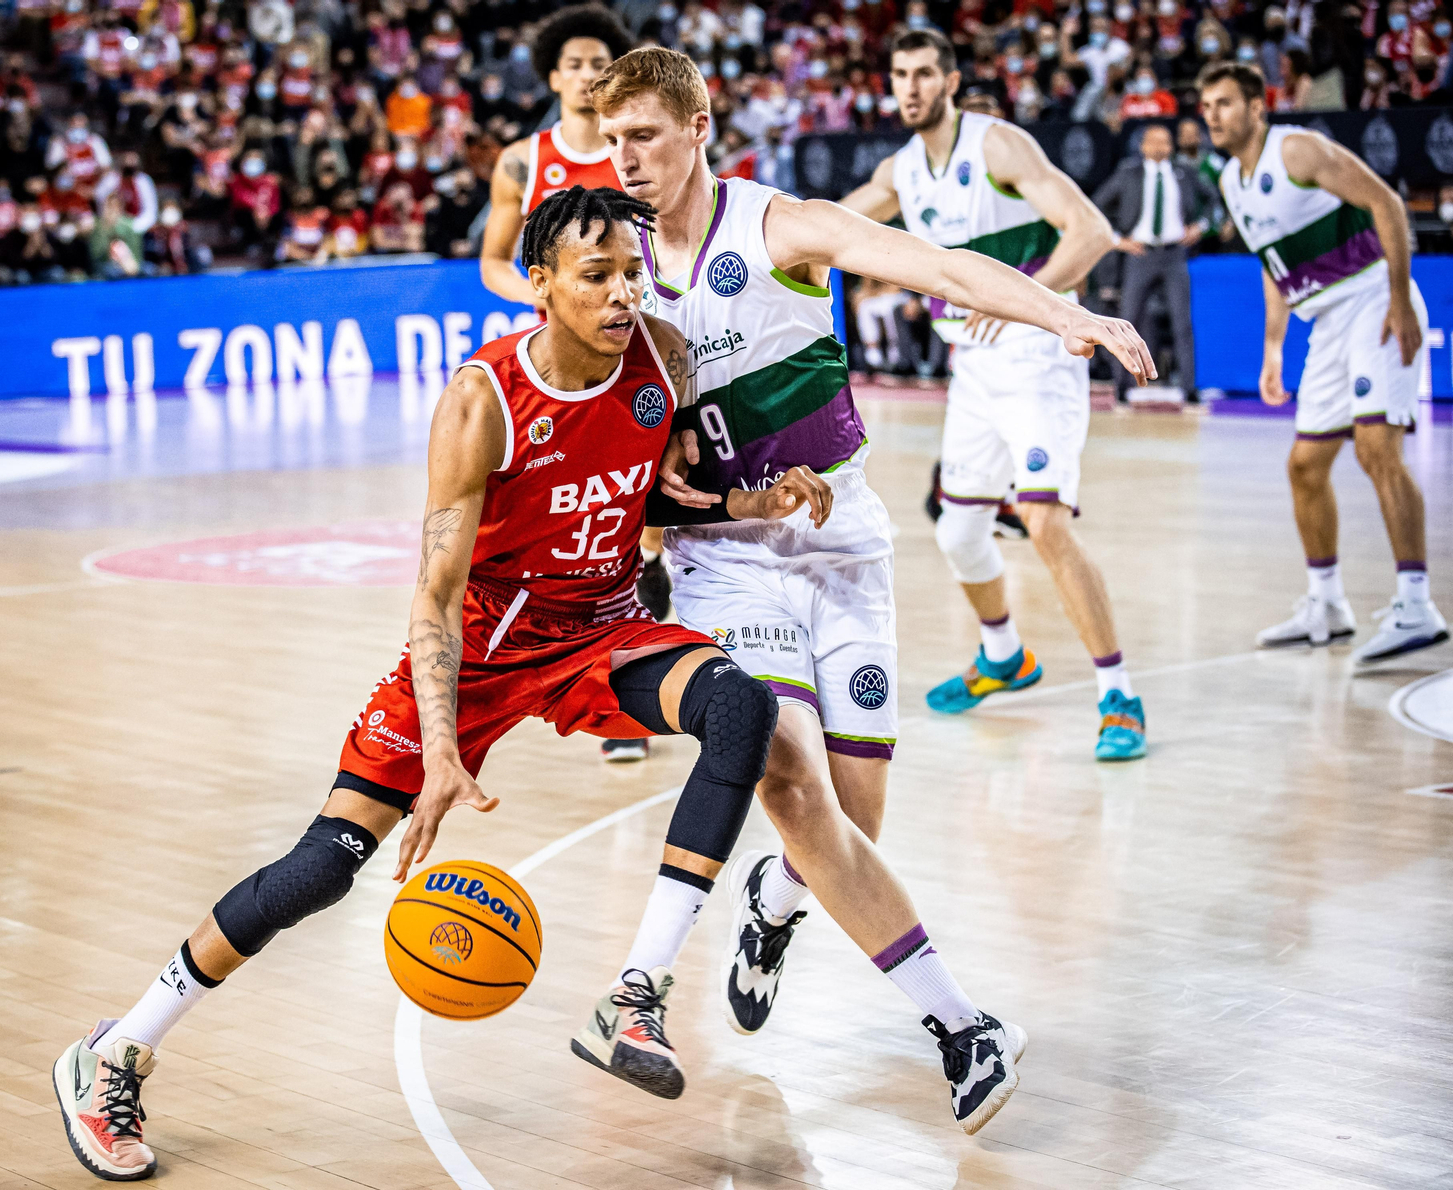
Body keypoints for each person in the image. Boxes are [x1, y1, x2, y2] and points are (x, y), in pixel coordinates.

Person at [51, 186, 831, 1180]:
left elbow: (663, 495)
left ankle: (634, 990)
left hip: (597, 632)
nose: (625, 293)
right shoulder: (483, 400)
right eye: (598, 277)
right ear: (540, 285)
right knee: (323, 865)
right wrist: (441, 754)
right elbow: (432, 593)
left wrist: (754, 497)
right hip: (474, 656)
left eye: (634, 272)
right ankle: (115, 1047)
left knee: (742, 705)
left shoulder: (661, 360)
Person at [593, 45, 1151, 1134]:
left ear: (699, 127)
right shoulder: (617, 271)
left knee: (853, 818)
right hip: (727, 556)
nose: (626, 158)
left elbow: (935, 265)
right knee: (791, 784)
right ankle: (961, 1025)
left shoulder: (780, 225)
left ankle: (773, 902)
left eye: (645, 136)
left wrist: (1063, 315)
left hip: (841, 534)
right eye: (612, 140)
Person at [842, 30, 1150, 761]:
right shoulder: (901, 170)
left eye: (923, 73)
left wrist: (1026, 300)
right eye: (899, 75)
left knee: (1043, 521)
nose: (910, 87)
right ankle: (1003, 654)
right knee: (957, 530)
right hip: (972, 366)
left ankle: (1121, 696)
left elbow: (1093, 229)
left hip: (1038, 353)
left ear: (950, 80)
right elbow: (820, 221)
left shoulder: (998, 146)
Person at [480, 4, 673, 763]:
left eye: (600, 63)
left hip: (637, 342)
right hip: (562, 352)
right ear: (554, 75)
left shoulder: (635, 156)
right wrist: (538, 294)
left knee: (650, 496)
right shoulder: (522, 161)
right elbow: (494, 259)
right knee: (578, 526)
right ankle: (606, 701)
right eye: (574, 63)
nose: (588, 74)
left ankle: (653, 575)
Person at [1201, 62, 1444, 662]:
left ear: (1258, 107)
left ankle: (1417, 605)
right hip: (1327, 323)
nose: (1212, 115)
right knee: (1305, 466)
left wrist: (1398, 299)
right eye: (1206, 105)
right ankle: (1326, 604)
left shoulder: (1298, 151)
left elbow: (1386, 203)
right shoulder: (1233, 179)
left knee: (1375, 449)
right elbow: (1273, 265)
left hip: (1371, 302)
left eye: (1225, 103)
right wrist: (1274, 346)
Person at [1092, 122, 1217, 401]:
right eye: (1154, 141)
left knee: (1182, 321)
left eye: (1165, 142)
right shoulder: (1128, 174)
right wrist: (1117, 240)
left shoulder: (1185, 173)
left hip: (1174, 255)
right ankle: (1122, 386)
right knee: (1128, 319)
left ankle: (1189, 387)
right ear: (1143, 146)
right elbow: (1096, 204)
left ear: (1171, 146)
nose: (1160, 147)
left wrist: (1201, 226)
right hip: (1140, 254)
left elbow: (1213, 200)